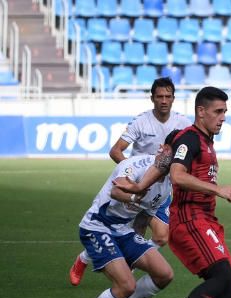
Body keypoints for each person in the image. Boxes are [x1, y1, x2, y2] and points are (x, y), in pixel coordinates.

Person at [151, 86, 231, 298]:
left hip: (204, 219)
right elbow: (178, 176)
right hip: (189, 218)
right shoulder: (191, 139)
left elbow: (169, 151)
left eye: (225, 112)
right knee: (223, 277)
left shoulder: (201, 140)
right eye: (218, 111)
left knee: (229, 282)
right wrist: (217, 189)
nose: (223, 117)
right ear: (201, 112)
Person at [69, 77, 192, 286]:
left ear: (173, 99)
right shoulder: (141, 121)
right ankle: (84, 259)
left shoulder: (183, 123)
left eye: (168, 96)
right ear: (152, 98)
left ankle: (129, 268)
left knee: (161, 236)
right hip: (135, 186)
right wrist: (134, 171)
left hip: (161, 188)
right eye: (159, 96)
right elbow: (116, 150)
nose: (164, 100)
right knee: (125, 230)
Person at [67, 131, 180, 298]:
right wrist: (135, 196)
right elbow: (118, 190)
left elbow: (144, 217)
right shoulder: (136, 164)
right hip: (96, 226)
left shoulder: (166, 185)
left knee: (164, 273)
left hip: (122, 230)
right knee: (126, 285)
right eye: (176, 155)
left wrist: (136, 248)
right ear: (164, 150)